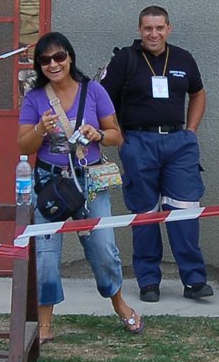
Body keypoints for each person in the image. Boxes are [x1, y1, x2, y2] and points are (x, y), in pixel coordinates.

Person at [17, 31, 143, 340]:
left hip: (89, 182)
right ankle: (45, 324)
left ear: (70, 57)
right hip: (49, 182)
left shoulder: (95, 91)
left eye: (59, 57)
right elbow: (23, 144)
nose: (53, 64)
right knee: (45, 254)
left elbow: (117, 134)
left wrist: (99, 134)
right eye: (45, 60)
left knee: (103, 248)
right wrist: (39, 129)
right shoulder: (35, 98)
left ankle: (120, 305)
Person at [100, 6, 213, 303]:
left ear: (169, 28)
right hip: (139, 142)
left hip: (179, 142)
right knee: (145, 214)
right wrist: (121, 139)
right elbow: (101, 99)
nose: (154, 34)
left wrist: (191, 130)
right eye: (148, 28)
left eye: (159, 28)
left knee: (185, 210)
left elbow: (198, 93)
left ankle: (195, 280)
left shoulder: (183, 59)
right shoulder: (125, 59)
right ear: (139, 29)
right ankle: (149, 281)